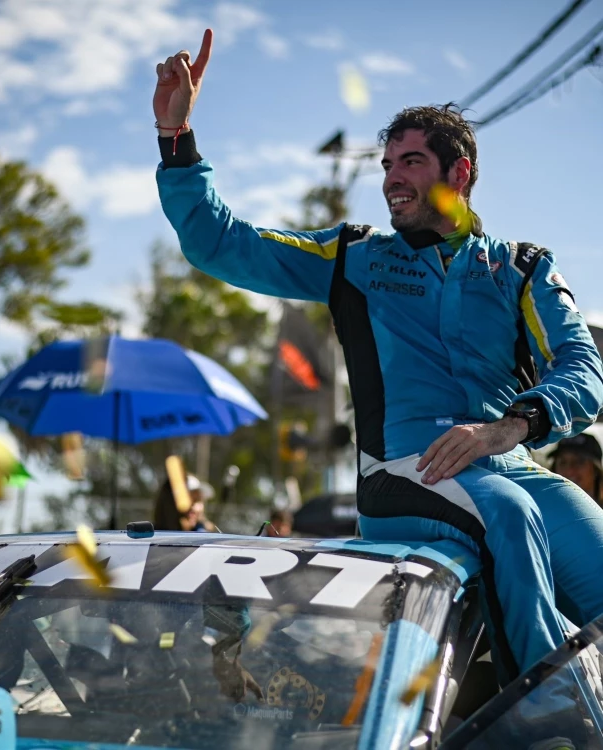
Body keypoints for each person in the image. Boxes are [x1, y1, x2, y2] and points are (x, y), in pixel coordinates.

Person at [153, 27, 603, 709]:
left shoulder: (522, 268)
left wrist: (508, 429)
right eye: (388, 163)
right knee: (506, 515)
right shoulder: (353, 257)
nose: (391, 177)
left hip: (511, 467)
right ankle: (552, 717)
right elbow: (221, 244)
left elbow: (585, 370)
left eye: (412, 162)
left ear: (460, 175)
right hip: (403, 472)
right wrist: (177, 139)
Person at [549, 433, 603, 506]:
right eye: (563, 462)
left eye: (579, 462)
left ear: (595, 469)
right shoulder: (542, 508)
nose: (569, 471)